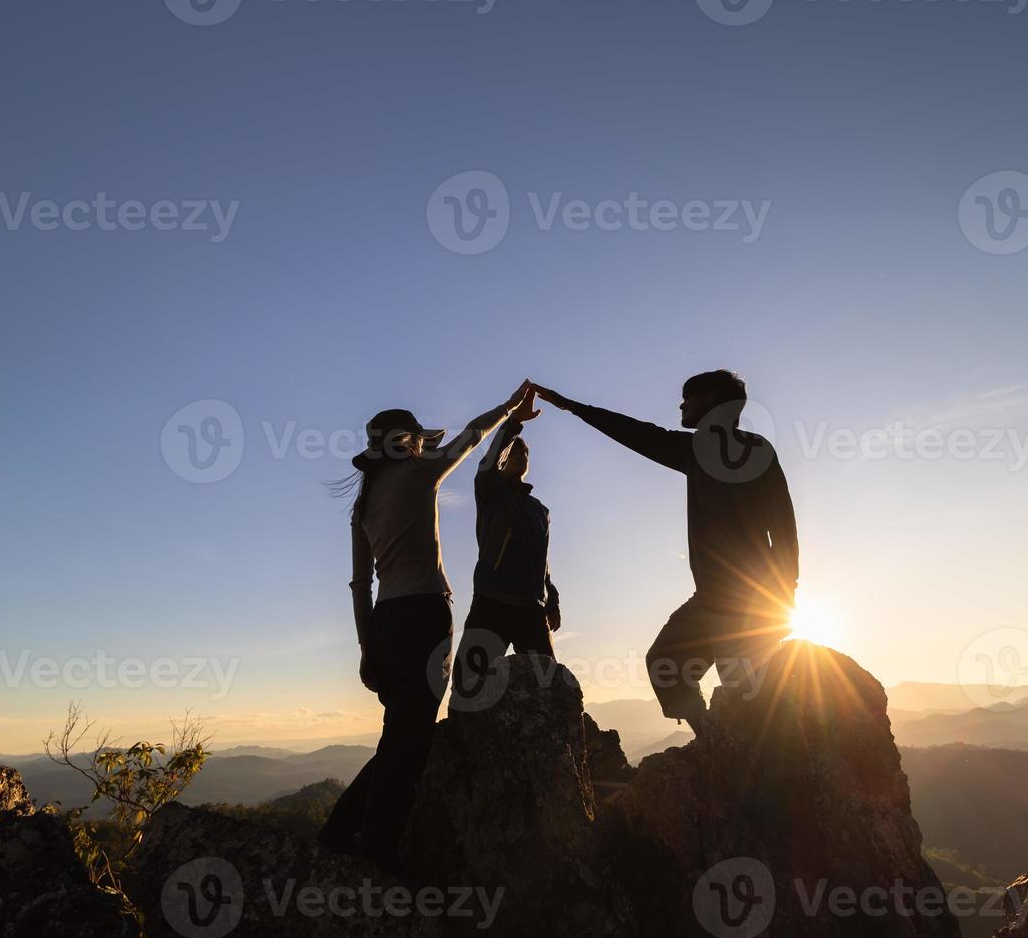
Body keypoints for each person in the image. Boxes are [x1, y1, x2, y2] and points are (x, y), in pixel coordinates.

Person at [319, 380, 531, 872]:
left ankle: (340, 832)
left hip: (386, 626)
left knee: (402, 734)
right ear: (410, 443)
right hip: (425, 615)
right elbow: (474, 434)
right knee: (408, 742)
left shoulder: (363, 505)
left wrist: (366, 647)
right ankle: (374, 848)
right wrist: (511, 409)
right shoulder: (419, 474)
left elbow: (359, 584)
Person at [532, 371, 798, 735]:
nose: (681, 404)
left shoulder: (725, 452)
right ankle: (713, 736)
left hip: (749, 608)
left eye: (689, 396)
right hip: (715, 602)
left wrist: (784, 591)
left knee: (752, 706)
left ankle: (746, 761)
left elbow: (782, 526)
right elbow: (635, 432)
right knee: (666, 663)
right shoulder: (715, 450)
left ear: (714, 399)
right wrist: (573, 407)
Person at [452, 387, 561, 702]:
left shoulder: (540, 510)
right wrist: (514, 426)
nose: (521, 453)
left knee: (549, 690)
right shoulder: (489, 493)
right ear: (502, 461)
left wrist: (552, 601)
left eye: (525, 451)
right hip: (491, 603)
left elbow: (543, 562)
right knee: (467, 686)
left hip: (531, 610)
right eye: (515, 451)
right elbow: (486, 463)